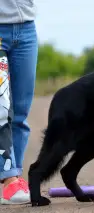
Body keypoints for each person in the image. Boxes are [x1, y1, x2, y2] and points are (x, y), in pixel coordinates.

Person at [0, 0, 38, 204]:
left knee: (21, 113)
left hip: (26, 28)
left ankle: (14, 177)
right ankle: (9, 180)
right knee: (1, 110)